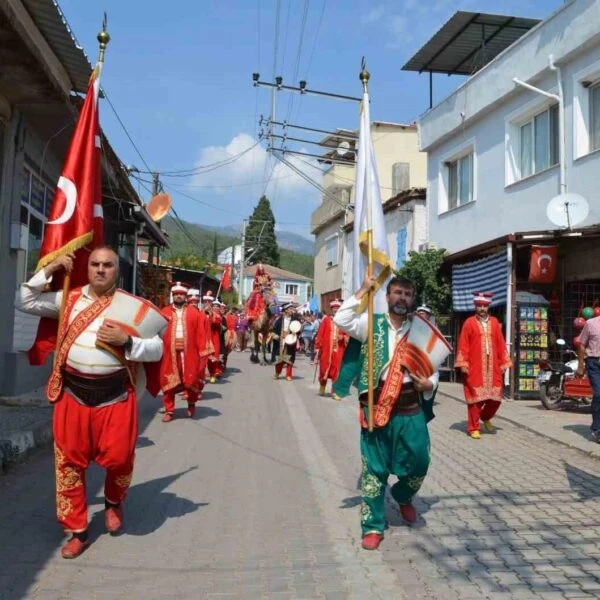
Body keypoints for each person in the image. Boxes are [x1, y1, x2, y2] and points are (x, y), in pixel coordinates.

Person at [16, 247, 164, 559]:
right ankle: (78, 530)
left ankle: (113, 502)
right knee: (69, 464)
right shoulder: (67, 299)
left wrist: (128, 342)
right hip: (73, 394)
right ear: (88, 268)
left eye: (107, 265)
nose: (100, 270)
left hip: (115, 396)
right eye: (95, 264)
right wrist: (52, 267)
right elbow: (25, 300)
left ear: (116, 270)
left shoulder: (132, 306)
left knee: (120, 458)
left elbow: (156, 349)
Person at [333, 275, 439, 551]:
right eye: (397, 293)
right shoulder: (371, 324)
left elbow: (433, 366)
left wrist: (429, 384)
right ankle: (373, 525)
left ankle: (403, 495)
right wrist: (363, 290)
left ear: (412, 299)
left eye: (407, 294)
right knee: (374, 471)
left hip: (410, 408)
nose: (402, 298)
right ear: (387, 296)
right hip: (376, 408)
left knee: (419, 463)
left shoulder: (420, 329)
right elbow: (341, 320)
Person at [455, 291, 512, 440]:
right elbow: (463, 345)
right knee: (476, 398)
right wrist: (463, 363)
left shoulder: (494, 322)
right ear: (475, 306)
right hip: (475, 365)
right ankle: (473, 427)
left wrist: (504, 362)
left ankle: (485, 417)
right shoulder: (469, 323)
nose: (482, 308)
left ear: (488, 307)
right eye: (479, 305)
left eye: (484, 306)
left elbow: (500, 343)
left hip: (493, 365)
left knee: (496, 398)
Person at [160, 282, 209, 422]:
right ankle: (169, 410)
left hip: (190, 353)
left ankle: (191, 404)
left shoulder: (195, 313)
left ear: (185, 296)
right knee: (168, 380)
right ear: (173, 296)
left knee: (191, 379)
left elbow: (201, 332)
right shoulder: (164, 312)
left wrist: (203, 351)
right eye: (176, 294)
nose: (179, 296)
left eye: (181, 294)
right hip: (169, 353)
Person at [315, 299, 349, 399]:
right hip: (326, 349)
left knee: (336, 369)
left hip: (338, 350)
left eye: (337, 308)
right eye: (334, 308)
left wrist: (343, 337)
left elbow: (348, 335)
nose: (336, 310)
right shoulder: (326, 320)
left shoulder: (344, 322)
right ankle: (322, 386)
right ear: (331, 309)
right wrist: (317, 347)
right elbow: (320, 334)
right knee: (324, 368)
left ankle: (334, 391)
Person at [576, 313, 600, 442]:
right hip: (594, 363)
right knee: (598, 395)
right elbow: (582, 344)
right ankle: (596, 429)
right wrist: (580, 366)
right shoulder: (591, 323)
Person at [272, 303, 301, 381]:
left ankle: (288, 375)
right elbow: (274, 330)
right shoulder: (280, 320)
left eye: (292, 309)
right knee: (279, 359)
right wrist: (275, 336)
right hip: (281, 341)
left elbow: (298, 329)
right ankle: (277, 373)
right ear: (286, 310)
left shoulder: (295, 319)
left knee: (290, 358)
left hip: (290, 341)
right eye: (290, 309)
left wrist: (296, 333)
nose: (292, 310)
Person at [207, 299, 224, 383]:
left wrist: (211, 315)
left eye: (217, 306)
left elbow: (215, 322)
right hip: (207, 337)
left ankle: (213, 374)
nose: (215, 307)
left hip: (215, 337)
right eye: (214, 306)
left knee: (215, 356)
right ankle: (210, 373)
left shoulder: (219, 316)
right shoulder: (207, 313)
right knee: (207, 358)